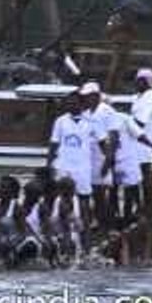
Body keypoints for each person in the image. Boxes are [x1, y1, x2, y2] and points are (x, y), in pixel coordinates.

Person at [46, 92, 99, 230]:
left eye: (73, 103)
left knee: (83, 200)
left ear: (81, 104)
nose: (70, 105)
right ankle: (60, 230)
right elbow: (53, 144)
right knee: (60, 198)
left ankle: (84, 232)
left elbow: (103, 142)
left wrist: (107, 163)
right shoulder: (60, 121)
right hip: (63, 166)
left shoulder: (92, 122)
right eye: (68, 103)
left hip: (82, 168)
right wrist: (49, 165)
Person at [79, 82, 116, 230]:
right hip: (88, 159)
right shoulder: (85, 113)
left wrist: (108, 161)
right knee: (88, 194)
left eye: (88, 96)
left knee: (100, 195)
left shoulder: (107, 111)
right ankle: (93, 224)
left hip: (102, 158)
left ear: (95, 96)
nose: (85, 99)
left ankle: (106, 226)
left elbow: (113, 136)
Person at [130, 69, 152, 202]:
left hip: (146, 142)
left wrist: (124, 120)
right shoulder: (139, 97)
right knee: (134, 176)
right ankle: (139, 204)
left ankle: (148, 205)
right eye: (137, 81)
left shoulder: (150, 98)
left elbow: (140, 122)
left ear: (148, 82)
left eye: (141, 81)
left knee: (146, 175)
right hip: (135, 141)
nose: (138, 84)